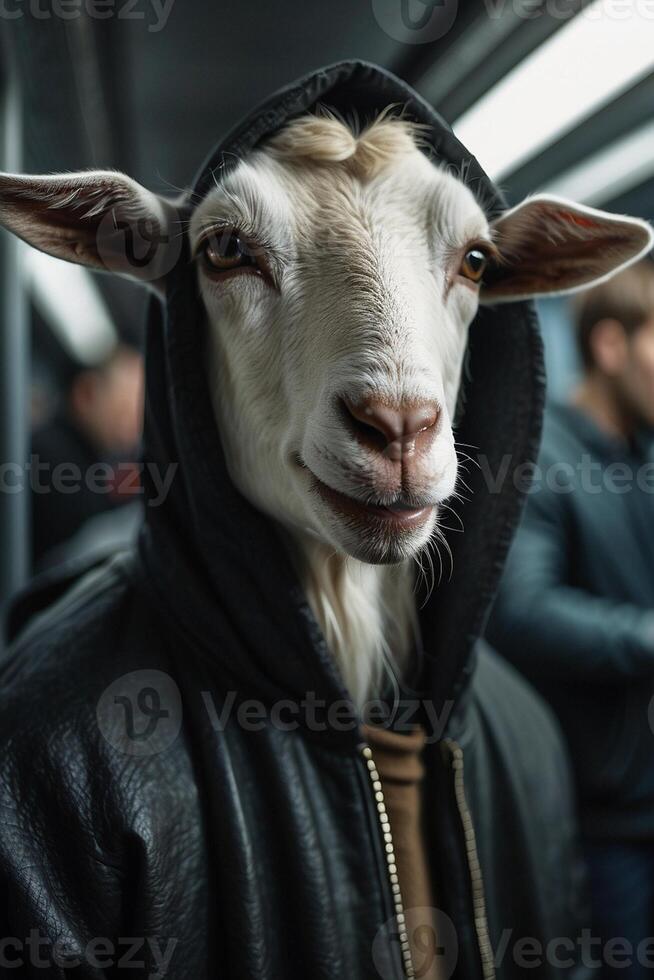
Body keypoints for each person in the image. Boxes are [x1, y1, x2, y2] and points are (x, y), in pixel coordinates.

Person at [1, 60, 647, 978]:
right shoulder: (56, 758)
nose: (397, 402)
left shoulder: (521, 738)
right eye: (232, 252)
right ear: (188, 323)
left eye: (467, 259)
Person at [488, 259, 654, 979]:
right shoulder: (541, 458)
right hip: (605, 812)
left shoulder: (641, 450)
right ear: (612, 345)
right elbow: (523, 612)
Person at [30, 343, 144, 567]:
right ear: (86, 394)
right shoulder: (48, 456)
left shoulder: (87, 458)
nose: (135, 423)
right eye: (125, 407)